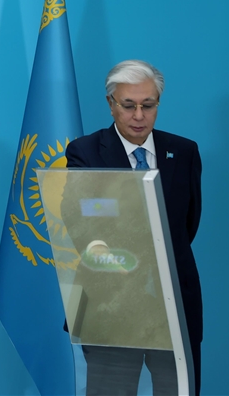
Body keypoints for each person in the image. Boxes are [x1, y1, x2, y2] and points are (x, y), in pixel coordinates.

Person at [65, 59, 202, 395]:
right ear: (111, 104)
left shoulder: (184, 151)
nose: (139, 115)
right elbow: (79, 216)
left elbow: (188, 223)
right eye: (128, 106)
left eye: (148, 105)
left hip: (173, 305)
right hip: (108, 303)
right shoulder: (86, 152)